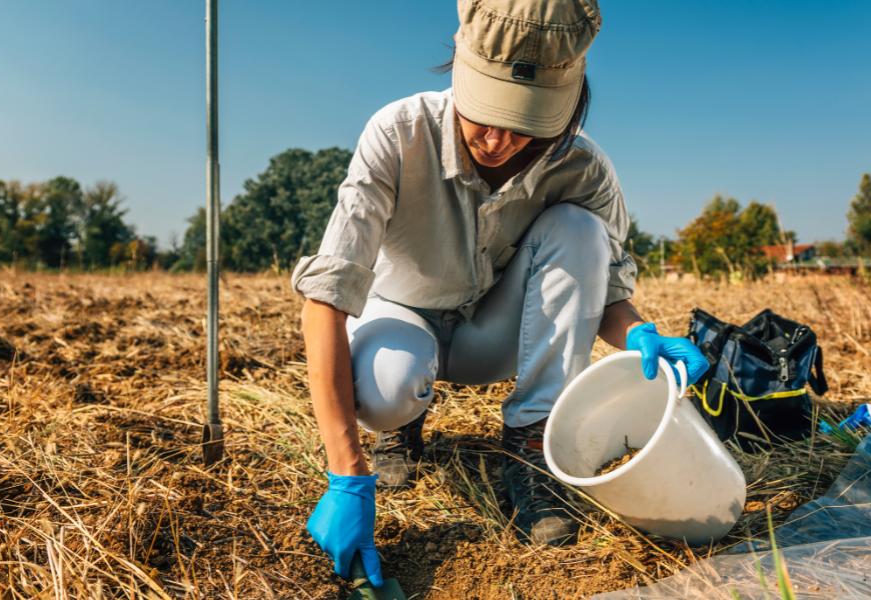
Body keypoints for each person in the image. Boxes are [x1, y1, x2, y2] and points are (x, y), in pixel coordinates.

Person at [293, 0, 707, 588]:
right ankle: (401, 427)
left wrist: (638, 331)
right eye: (484, 115)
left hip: (493, 331)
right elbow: (326, 299)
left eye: (524, 124)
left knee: (580, 229)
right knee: (389, 390)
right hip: (402, 315)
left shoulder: (583, 170)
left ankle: (532, 444)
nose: (497, 140)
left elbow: (604, 291)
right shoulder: (397, 132)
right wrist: (346, 476)